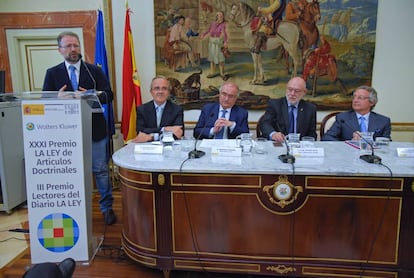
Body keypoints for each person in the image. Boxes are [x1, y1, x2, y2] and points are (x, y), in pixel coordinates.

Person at [42, 31, 116, 225]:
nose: (73, 49)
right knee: (72, 171)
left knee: (100, 170)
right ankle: (75, 210)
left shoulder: (94, 71)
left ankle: (107, 208)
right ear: (60, 50)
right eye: (68, 46)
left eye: (76, 45)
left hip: (95, 129)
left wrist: (93, 95)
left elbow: (109, 95)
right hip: (66, 132)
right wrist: (55, 98)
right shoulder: (52, 73)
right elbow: (44, 101)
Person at [322, 85, 391, 141]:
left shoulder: (383, 121)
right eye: (354, 97)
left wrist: (373, 145)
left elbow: (387, 142)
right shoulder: (343, 118)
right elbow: (327, 138)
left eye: (360, 98)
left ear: (372, 102)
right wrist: (349, 143)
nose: (355, 100)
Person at [259, 76, 317, 142]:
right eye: (290, 89)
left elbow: (311, 133)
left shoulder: (310, 109)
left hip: (300, 146)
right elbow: (265, 123)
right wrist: (273, 134)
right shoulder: (275, 104)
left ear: (304, 92)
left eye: (297, 91)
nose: (292, 94)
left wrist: (307, 143)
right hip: (279, 144)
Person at [132, 76, 184, 143]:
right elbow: (141, 131)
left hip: (168, 147)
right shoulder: (142, 109)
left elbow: (178, 134)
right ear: (151, 92)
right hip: (147, 148)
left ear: (168, 92)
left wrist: (151, 137)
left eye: (164, 88)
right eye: (157, 88)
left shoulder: (177, 110)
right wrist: (164, 129)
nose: (160, 91)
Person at [200, 11, 229, 80]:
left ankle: (222, 73)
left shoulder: (225, 24)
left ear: (223, 16)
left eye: (221, 15)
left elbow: (226, 34)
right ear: (216, 16)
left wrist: (226, 42)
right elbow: (209, 30)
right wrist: (203, 35)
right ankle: (212, 72)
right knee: (212, 58)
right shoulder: (213, 23)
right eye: (219, 15)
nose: (220, 16)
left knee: (220, 59)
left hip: (219, 42)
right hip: (212, 42)